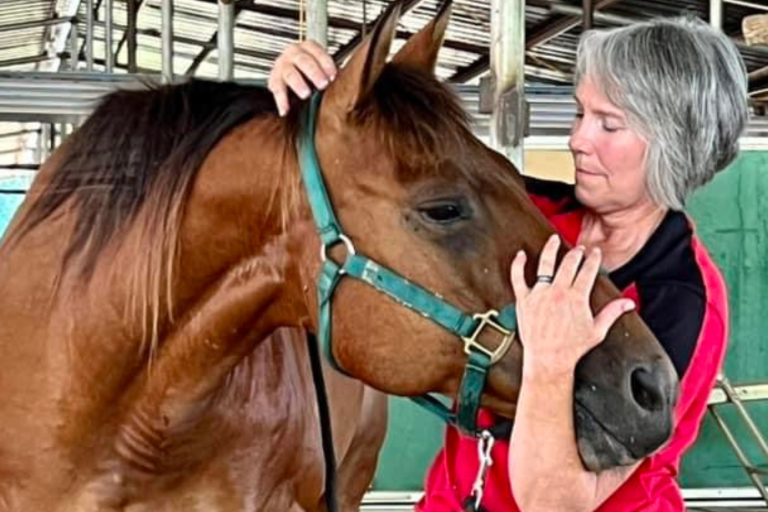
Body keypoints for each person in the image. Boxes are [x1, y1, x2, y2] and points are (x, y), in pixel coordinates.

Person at [267, 15, 749, 512]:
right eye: (580, 114)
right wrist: (310, 108)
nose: (578, 140)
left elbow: (559, 502)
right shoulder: (529, 216)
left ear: (673, 145)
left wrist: (552, 361)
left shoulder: (683, 299)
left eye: (608, 124)